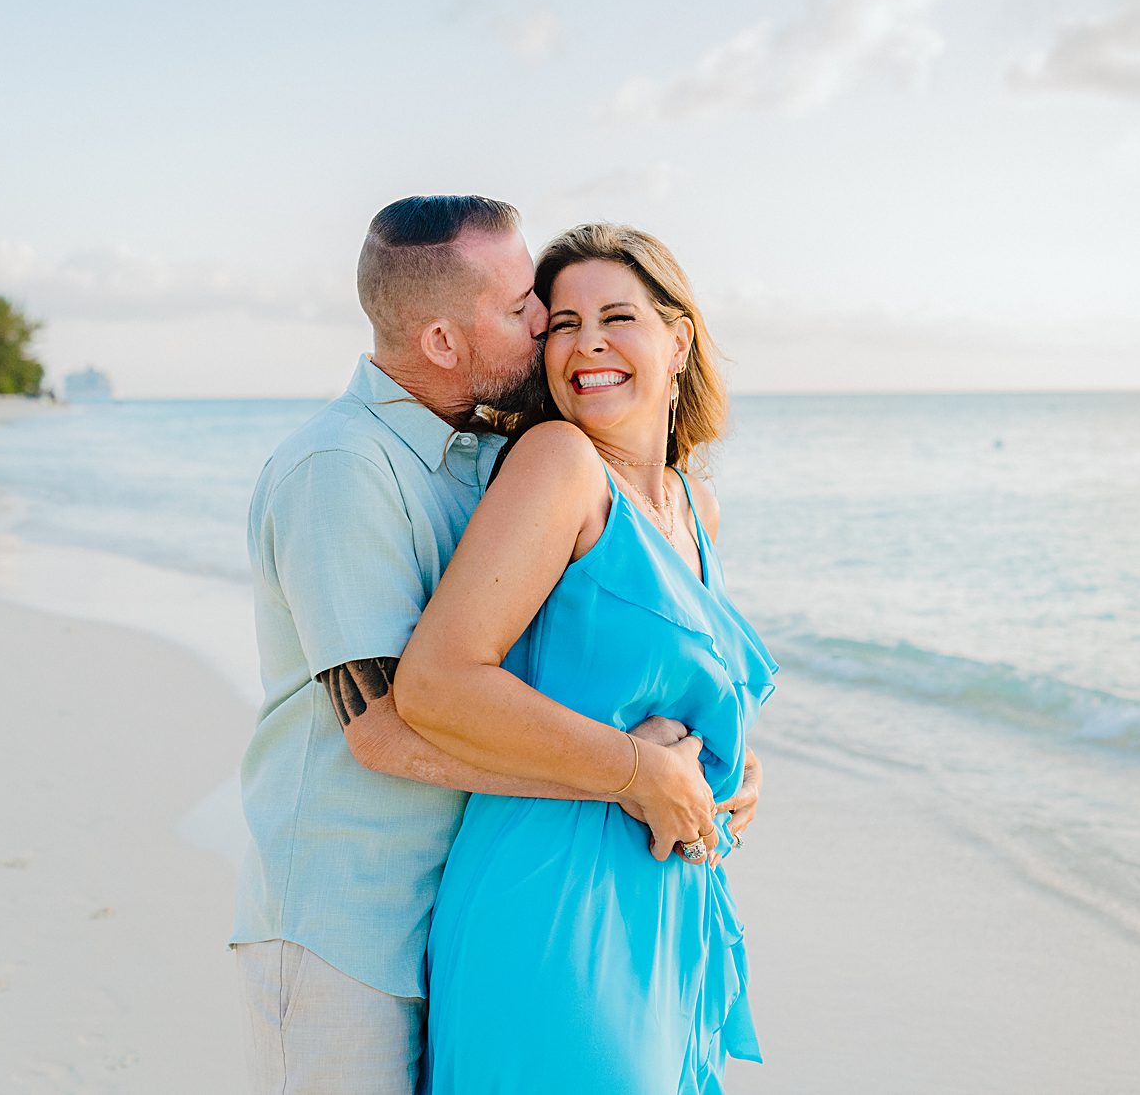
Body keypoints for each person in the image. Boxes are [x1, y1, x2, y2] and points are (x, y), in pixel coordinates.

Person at [231, 196, 759, 1094]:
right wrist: (635, 777)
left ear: (679, 341)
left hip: (462, 900)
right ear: (442, 341)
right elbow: (388, 727)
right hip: (346, 924)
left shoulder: (472, 461)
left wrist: (715, 775)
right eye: (533, 314)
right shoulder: (344, 471)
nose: (556, 334)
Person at [396, 223, 776, 1092]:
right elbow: (436, 683)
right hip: (553, 896)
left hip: (668, 900)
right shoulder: (561, 463)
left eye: (616, 316)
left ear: (678, 339)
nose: (587, 343)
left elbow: (666, 686)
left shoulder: (695, 507)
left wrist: (735, 765)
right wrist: (639, 770)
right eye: (562, 323)